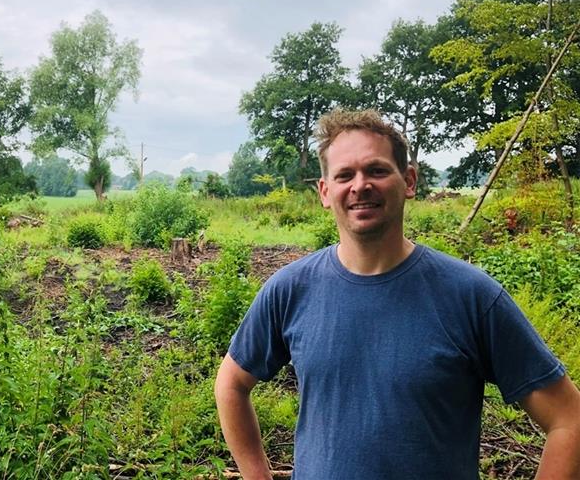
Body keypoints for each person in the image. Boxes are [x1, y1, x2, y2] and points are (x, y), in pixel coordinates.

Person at [214, 109, 580, 479]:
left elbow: (568, 418)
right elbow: (231, 383)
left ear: (408, 180)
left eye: (376, 170)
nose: (360, 185)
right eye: (344, 175)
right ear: (325, 192)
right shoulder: (290, 290)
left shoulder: (471, 296)